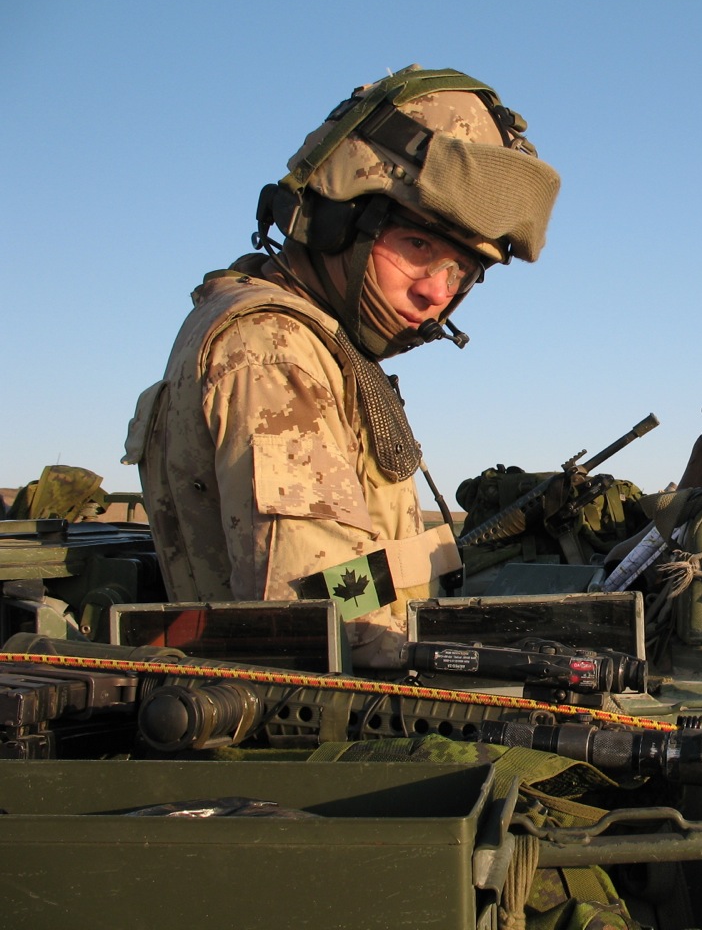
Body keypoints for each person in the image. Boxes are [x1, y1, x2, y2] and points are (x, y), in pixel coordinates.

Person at [123, 65, 560, 668]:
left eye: (461, 271)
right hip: (305, 729)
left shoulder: (322, 344)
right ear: (337, 218)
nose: (437, 292)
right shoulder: (272, 347)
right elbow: (321, 621)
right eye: (418, 247)